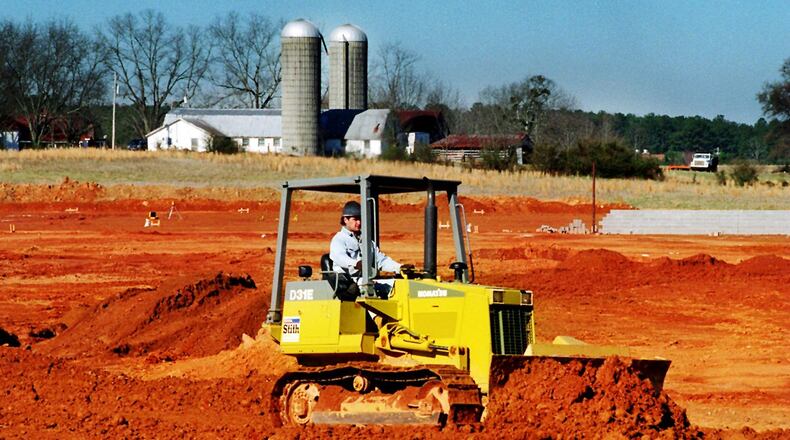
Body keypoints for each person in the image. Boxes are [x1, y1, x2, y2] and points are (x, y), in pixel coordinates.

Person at [330, 201, 401, 283]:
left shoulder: (366, 240)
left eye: (360, 219)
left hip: (365, 280)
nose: (359, 222)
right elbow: (340, 257)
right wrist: (356, 264)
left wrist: (399, 268)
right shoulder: (339, 239)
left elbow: (380, 260)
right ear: (345, 220)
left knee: (394, 284)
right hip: (346, 282)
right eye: (355, 219)